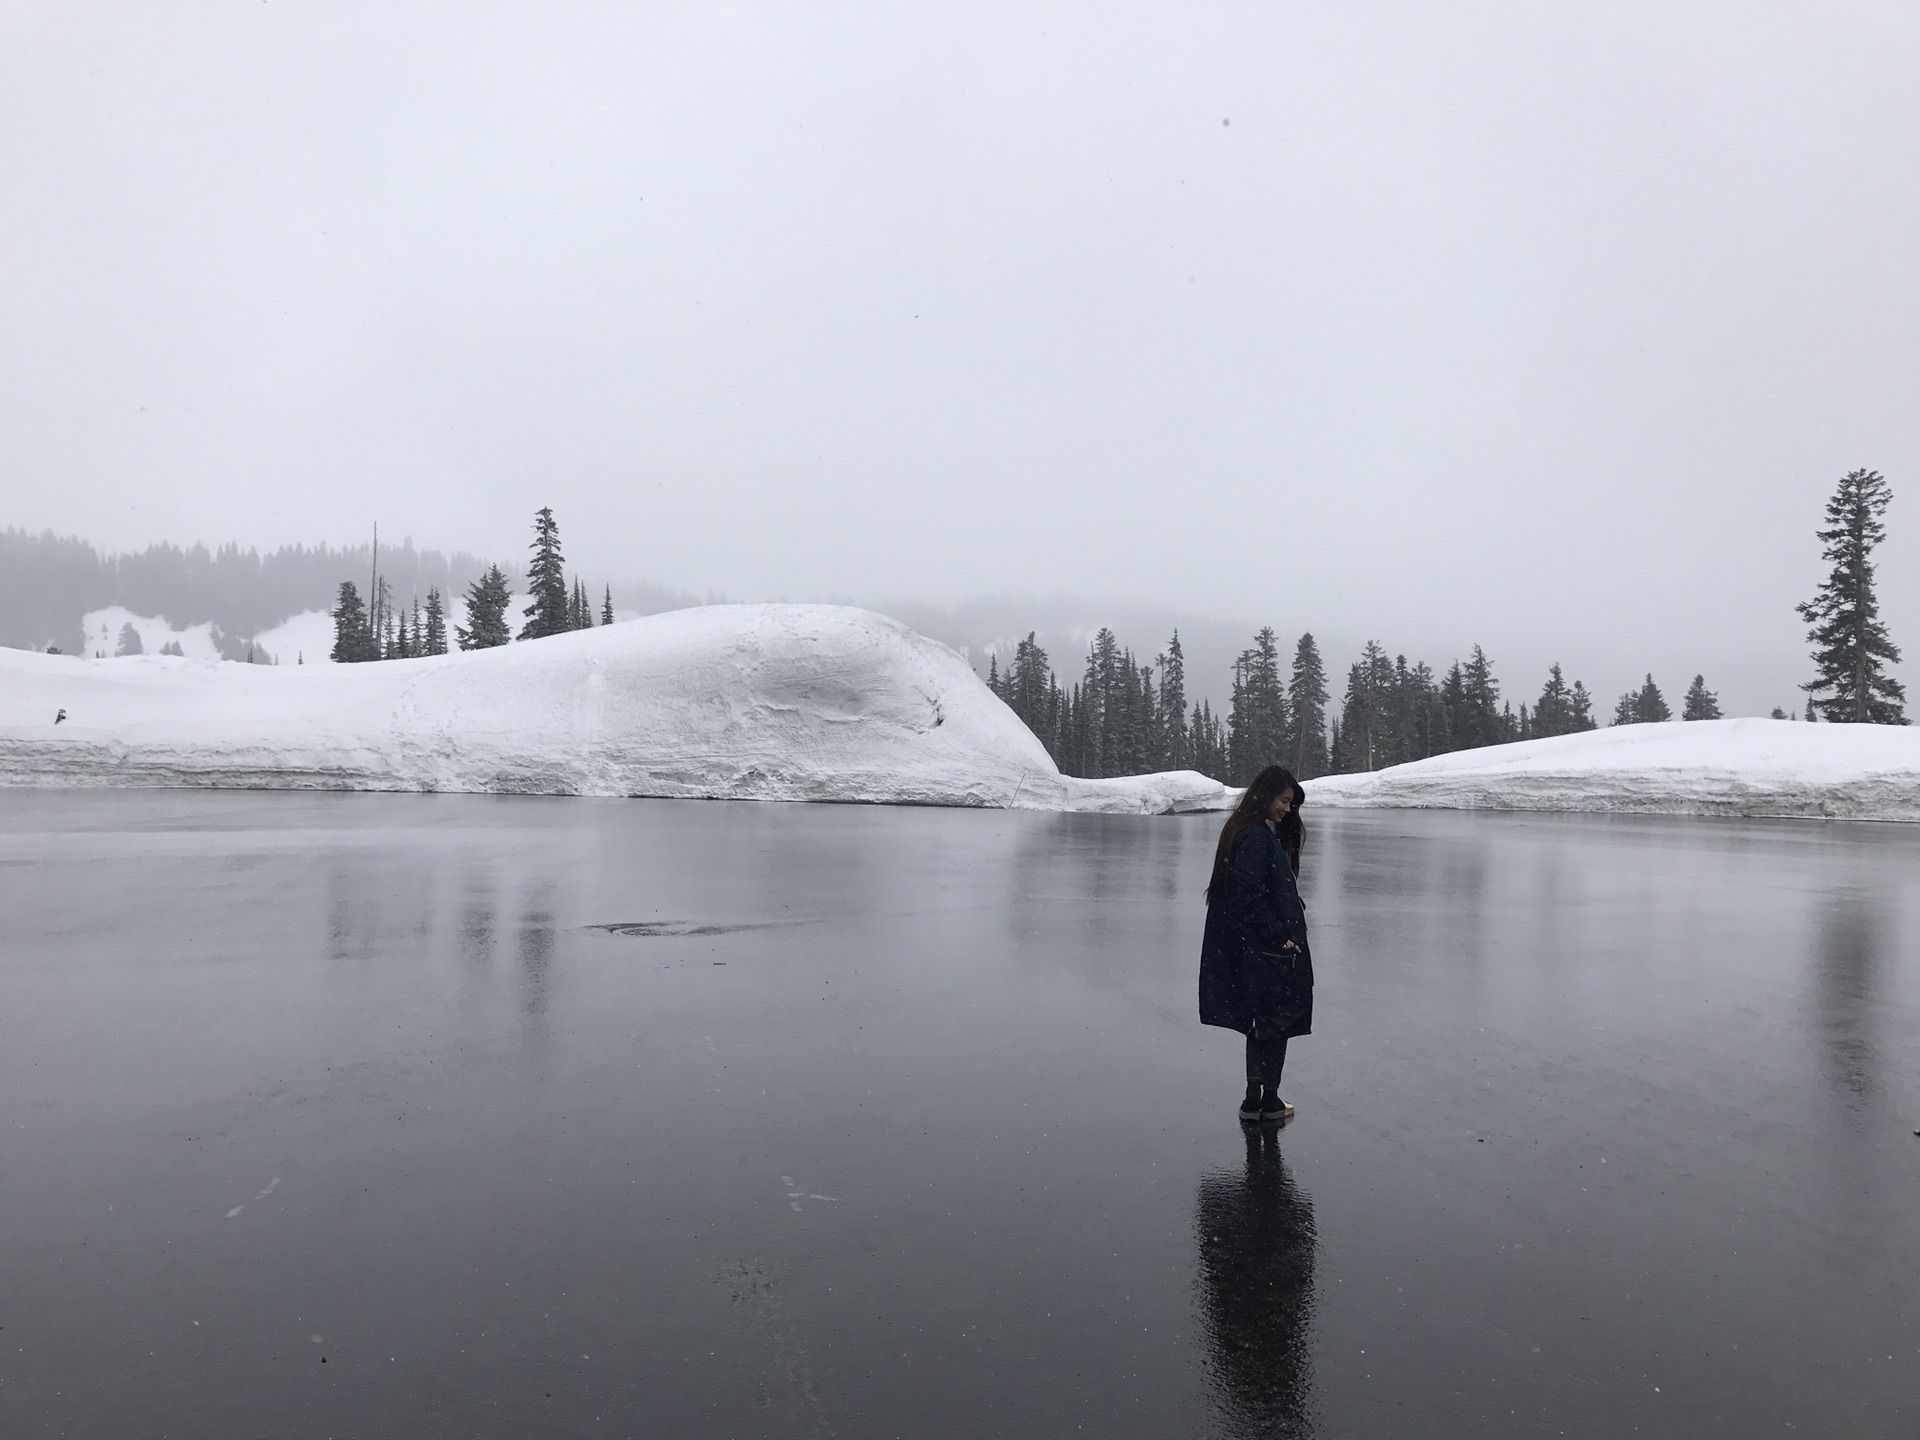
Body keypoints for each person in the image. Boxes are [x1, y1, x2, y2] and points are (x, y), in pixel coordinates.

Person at [1198, 765, 1312, 1123]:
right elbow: (1248, 897)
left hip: (1261, 949)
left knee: (1261, 1023)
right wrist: (1281, 936)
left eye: (1291, 804)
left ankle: (1254, 1100)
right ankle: (1270, 1101)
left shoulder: (1248, 832)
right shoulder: (1254, 837)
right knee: (1276, 1023)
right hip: (1269, 951)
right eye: (1283, 801)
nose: (1287, 810)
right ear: (1265, 795)